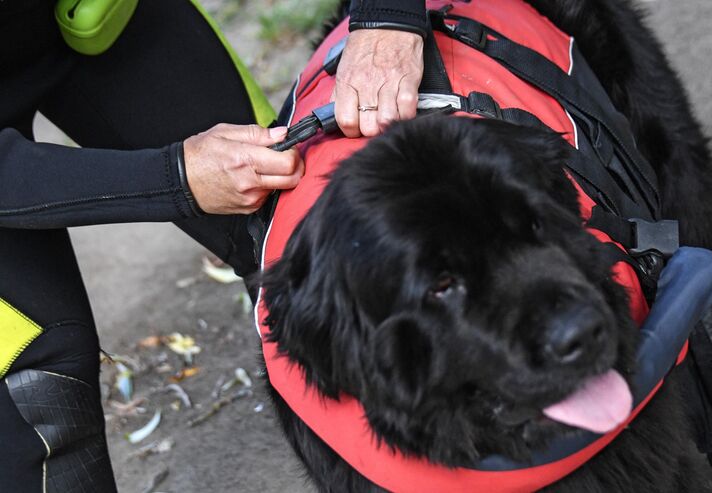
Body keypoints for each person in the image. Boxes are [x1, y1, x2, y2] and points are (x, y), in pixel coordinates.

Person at [0, 0, 427, 491]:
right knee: (38, 387)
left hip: (92, 17)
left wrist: (388, 17)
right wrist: (176, 178)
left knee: (303, 228)